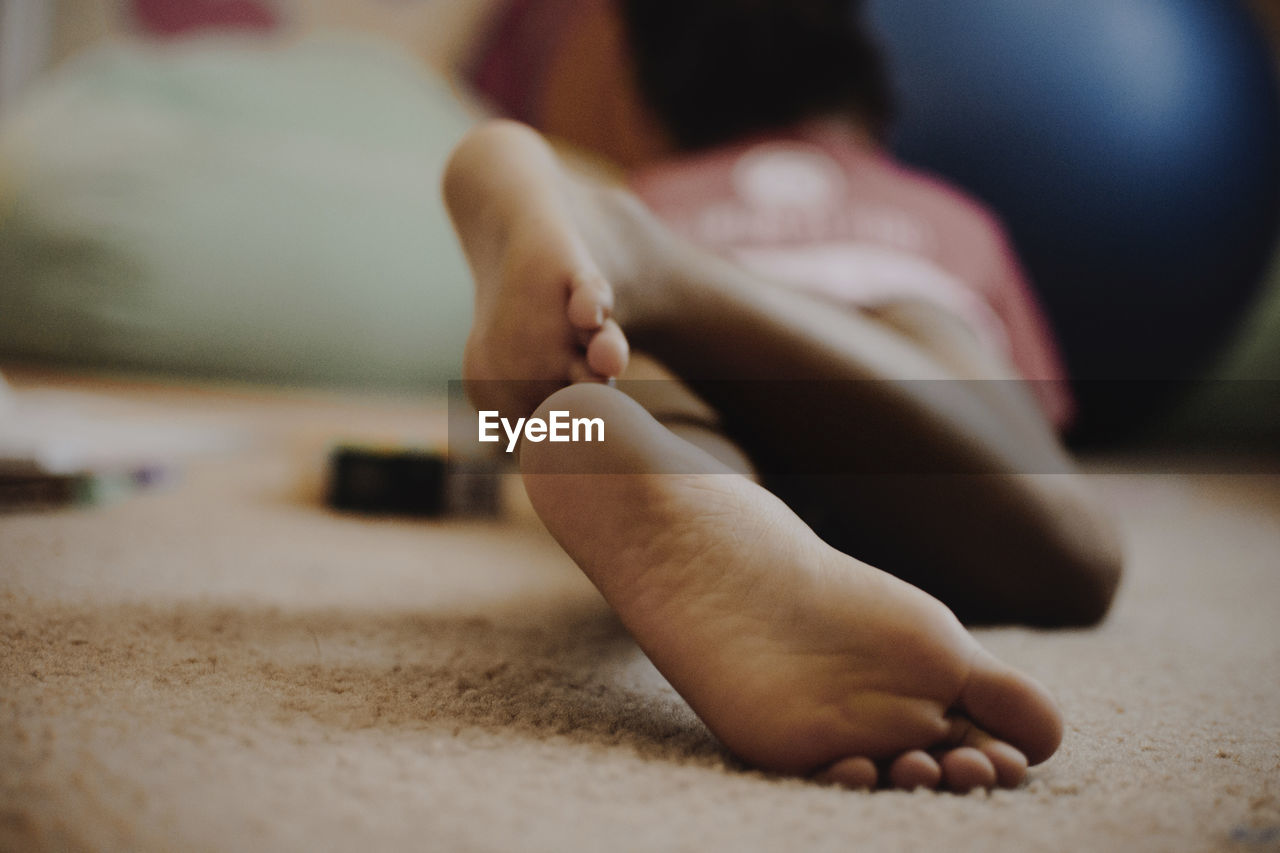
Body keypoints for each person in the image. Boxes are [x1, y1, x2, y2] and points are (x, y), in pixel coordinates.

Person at [451, 0, 1121, 794]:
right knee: (1063, 541)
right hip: (898, 322)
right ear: (870, 102)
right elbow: (1039, 416)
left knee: (642, 388)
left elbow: (497, 407)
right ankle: (658, 287)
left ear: (650, 106)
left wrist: (500, 431)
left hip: (672, 290)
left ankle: (634, 376)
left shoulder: (664, 186)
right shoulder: (950, 216)